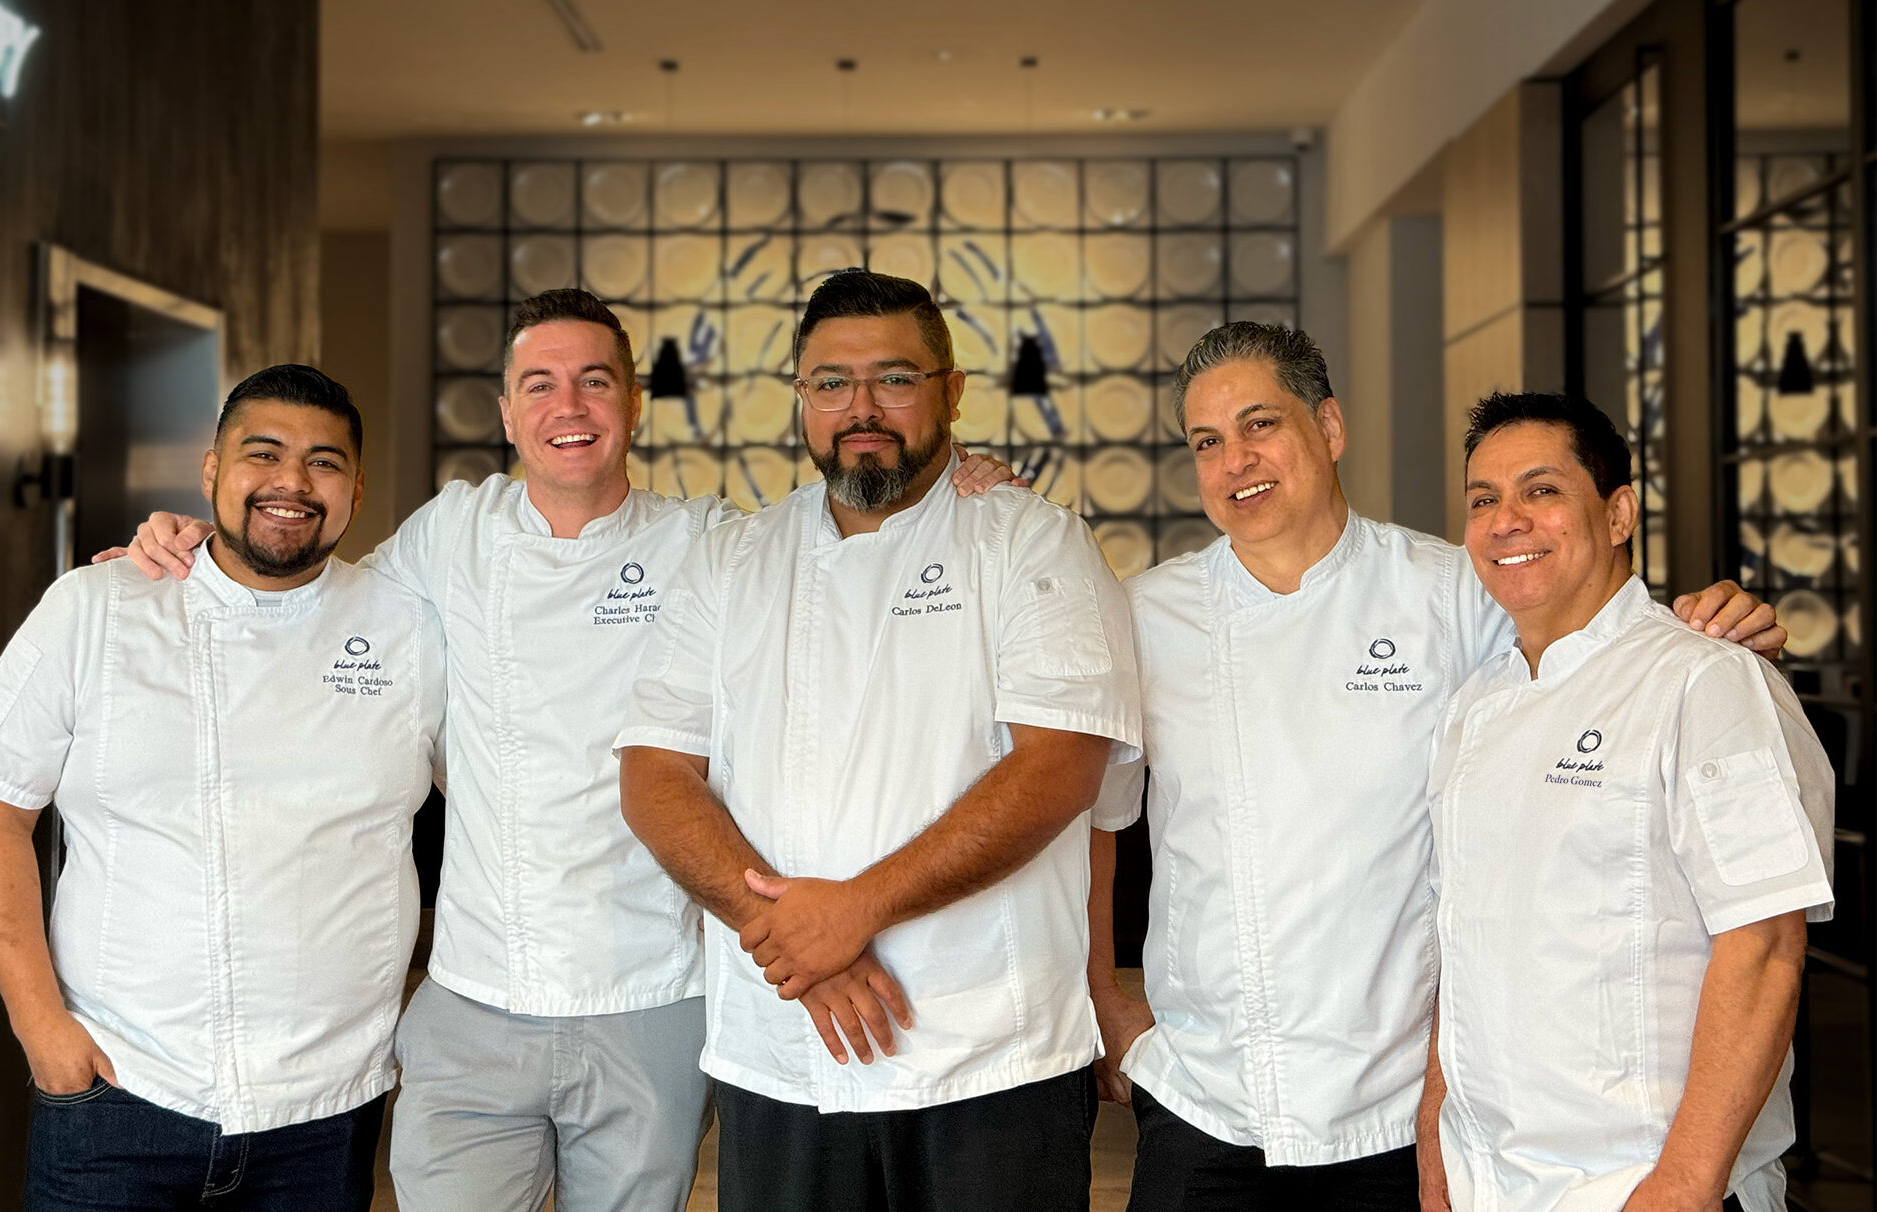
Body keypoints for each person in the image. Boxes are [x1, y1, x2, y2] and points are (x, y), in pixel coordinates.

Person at [107, 288, 1016, 1211]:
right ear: (507, 412)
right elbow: (301, 606)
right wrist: (190, 544)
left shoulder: (712, 543)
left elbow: (852, 558)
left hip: (653, 997)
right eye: (539, 384)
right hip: (473, 997)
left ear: (632, 403)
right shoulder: (446, 536)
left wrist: (956, 484)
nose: (568, 407)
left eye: (594, 382)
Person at [1084, 323, 1785, 1210]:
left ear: (1329, 428)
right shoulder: (1145, 612)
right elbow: (1092, 810)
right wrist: (1101, 991)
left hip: (1400, 1104)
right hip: (1206, 1093)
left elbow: (1591, 643)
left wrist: (1708, 626)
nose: (1236, 462)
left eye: (1261, 426)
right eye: (1207, 442)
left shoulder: (1451, 588)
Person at [615, 269, 1140, 1212]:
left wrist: (856, 909)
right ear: (801, 399)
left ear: (951, 389)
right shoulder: (731, 559)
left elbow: (1059, 765)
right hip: (783, 1048)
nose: (862, 408)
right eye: (830, 383)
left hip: (992, 1056)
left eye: (894, 378)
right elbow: (654, 774)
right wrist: (791, 938)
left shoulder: (1030, 542)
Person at [0, 366, 445, 1211]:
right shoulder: (95, 608)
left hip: (326, 1111)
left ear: (357, 489)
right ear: (211, 470)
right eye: (263, 453)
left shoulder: (410, 628)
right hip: (115, 1092)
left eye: (324, 463)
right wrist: (42, 1032)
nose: (292, 482)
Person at [1421, 391, 1833, 1212]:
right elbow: (1461, 946)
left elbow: (1764, 947)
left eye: (1541, 491)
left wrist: (1684, 1184)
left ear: (1618, 515)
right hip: (1488, 1184)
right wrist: (1437, 1144)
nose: (1507, 521)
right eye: (1482, 500)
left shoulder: (1704, 677)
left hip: (1646, 1187)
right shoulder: (1472, 708)